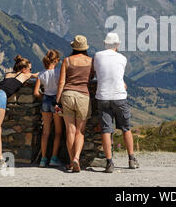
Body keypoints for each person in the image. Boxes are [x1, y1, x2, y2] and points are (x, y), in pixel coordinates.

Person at [93, 32, 139, 173]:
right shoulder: (123, 58)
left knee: (106, 130)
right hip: (119, 96)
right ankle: (131, 159)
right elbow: (117, 75)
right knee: (126, 128)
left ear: (105, 43)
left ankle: (109, 163)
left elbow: (97, 73)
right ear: (117, 45)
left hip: (103, 96)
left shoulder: (97, 56)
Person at [0, 55, 38, 170]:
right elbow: (38, 76)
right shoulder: (24, 75)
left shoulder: (8, 74)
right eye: (30, 69)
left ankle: (0, 158)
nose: (30, 71)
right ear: (24, 69)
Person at [56, 35, 94, 173]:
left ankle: (71, 162)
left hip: (67, 95)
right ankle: (77, 158)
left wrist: (57, 101)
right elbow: (92, 77)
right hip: (83, 96)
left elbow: (61, 82)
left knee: (70, 130)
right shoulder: (91, 61)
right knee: (80, 131)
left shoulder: (67, 61)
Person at [34, 49, 63, 168]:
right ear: (56, 60)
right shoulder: (59, 72)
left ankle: (43, 159)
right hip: (56, 102)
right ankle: (54, 158)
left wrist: (44, 97)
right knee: (58, 131)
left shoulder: (41, 74)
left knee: (45, 132)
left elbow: (36, 92)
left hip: (46, 100)